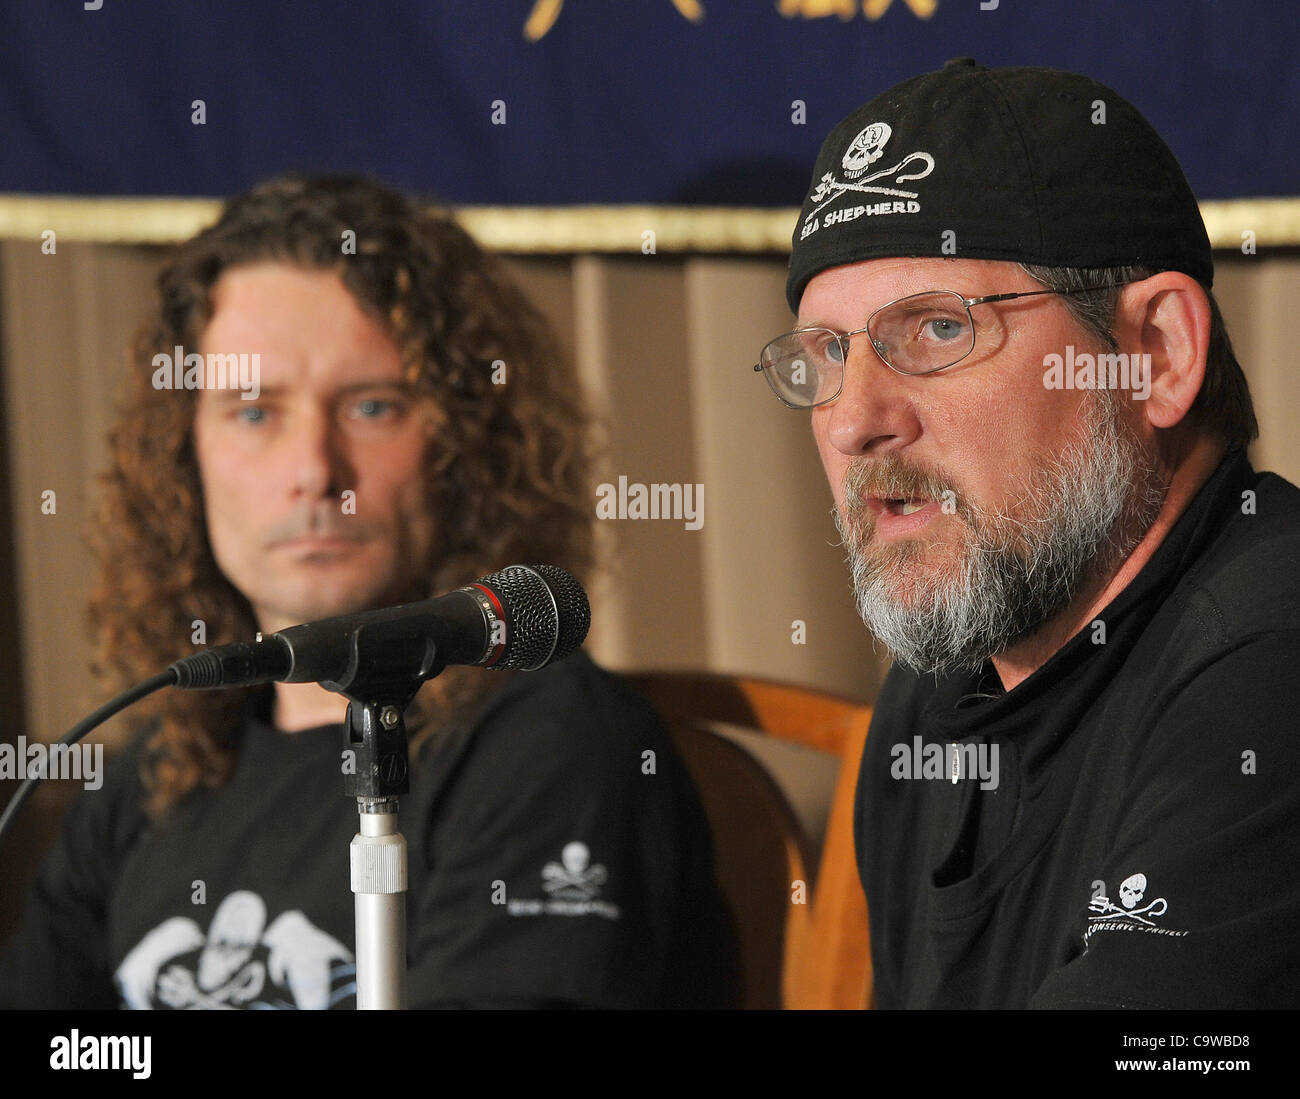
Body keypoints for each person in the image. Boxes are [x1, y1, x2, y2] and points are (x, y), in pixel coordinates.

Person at [0, 175, 736, 1009]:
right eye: (253, 412)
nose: (316, 470)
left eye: (373, 406)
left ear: (463, 445)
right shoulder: (154, 772)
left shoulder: (555, 747)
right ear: (181, 456)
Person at [755, 59, 1300, 1008]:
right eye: (827, 354)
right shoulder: (928, 707)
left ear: (1156, 354)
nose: (853, 422)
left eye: (933, 331)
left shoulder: (1270, 675)